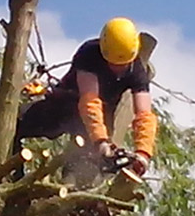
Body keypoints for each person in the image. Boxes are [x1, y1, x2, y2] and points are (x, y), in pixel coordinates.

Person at [15, 17, 157, 176]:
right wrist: (100, 141)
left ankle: (73, 191)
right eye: (112, 63)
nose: (117, 68)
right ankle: (12, 177)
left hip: (102, 118)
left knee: (82, 171)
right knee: (15, 123)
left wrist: (143, 153)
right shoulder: (89, 54)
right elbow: (90, 101)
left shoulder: (137, 70)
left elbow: (144, 115)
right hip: (64, 106)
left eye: (123, 64)